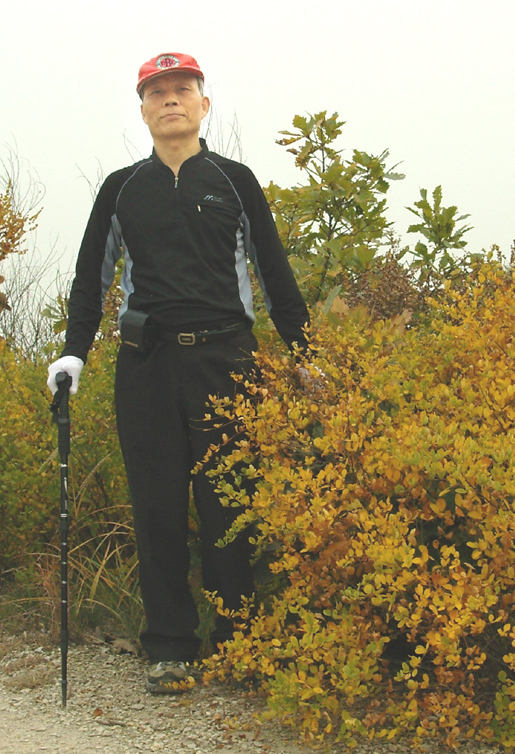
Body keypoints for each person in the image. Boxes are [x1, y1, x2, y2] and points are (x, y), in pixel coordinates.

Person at [47, 52, 309, 693]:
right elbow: (92, 277)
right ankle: (169, 648)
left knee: (231, 506)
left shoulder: (236, 181)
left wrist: (307, 353)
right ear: (142, 109)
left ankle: (239, 645)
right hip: (147, 364)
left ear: (203, 104)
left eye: (183, 89)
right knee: (157, 508)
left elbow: (273, 273)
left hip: (228, 360)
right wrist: (75, 351)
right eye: (157, 91)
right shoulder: (121, 189)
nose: (171, 100)